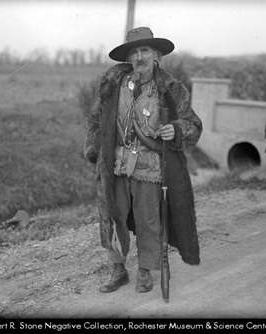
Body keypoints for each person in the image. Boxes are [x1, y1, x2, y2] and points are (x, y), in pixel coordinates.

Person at [83, 27, 202, 294]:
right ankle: (118, 269)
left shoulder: (170, 89)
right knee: (114, 216)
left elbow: (193, 123)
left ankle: (146, 271)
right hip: (117, 163)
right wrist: (93, 150)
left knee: (148, 219)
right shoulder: (112, 86)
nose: (139, 57)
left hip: (151, 166)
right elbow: (94, 118)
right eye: (134, 52)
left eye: (145, 51)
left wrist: (177, 130)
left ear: (156, 55)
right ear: (128, 58)